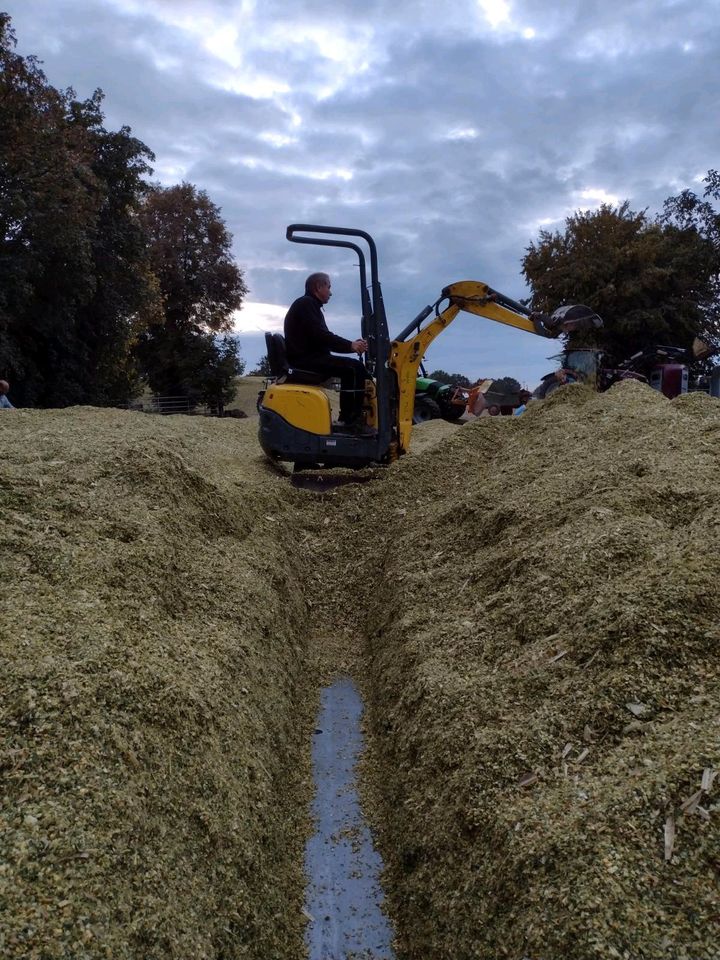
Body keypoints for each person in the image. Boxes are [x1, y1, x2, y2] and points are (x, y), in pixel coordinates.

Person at [284, 272, 369, 427]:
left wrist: (351, 345)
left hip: (307, 357)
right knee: (355, 368)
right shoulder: (306, 305)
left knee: (352, 367)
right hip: (306, 360)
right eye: (328, 287)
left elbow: (322, 337)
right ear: (318, 287)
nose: (330, 292)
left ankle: (349, 417)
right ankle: (351, 420)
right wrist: (351, 345)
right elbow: (322, 336)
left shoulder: (308, 305)